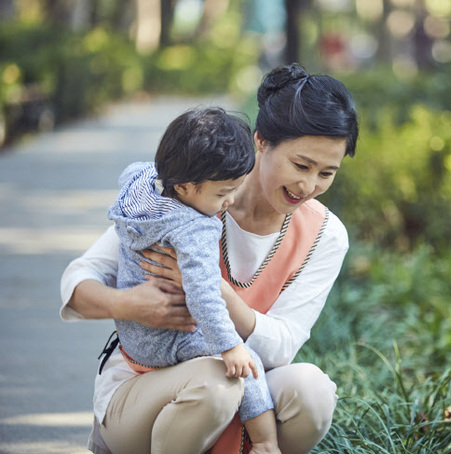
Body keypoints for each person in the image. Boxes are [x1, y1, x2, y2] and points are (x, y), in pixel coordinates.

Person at [60, 62, 359, 454]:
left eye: (326, 173)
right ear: (261, 141)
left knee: (312, 391)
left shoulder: (325, 235)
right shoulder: (190, 190)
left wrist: (213, 292)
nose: (308, 186)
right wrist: (131, 305)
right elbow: (78, 279)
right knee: (215, 384)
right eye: (301, 165)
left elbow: (282, 347)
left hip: (245, 388)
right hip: (147, 394)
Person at [107, 106, 280, 454]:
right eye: (222, 193)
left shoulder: (141, 182)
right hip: (167, 342)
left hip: (133, 333)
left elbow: (130, 170)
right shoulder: (194, 229)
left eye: (236, 188)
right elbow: (203, 295)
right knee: (248, 362)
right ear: (185, 187)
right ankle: (265, 443)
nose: (230, 201)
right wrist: (230, 346)